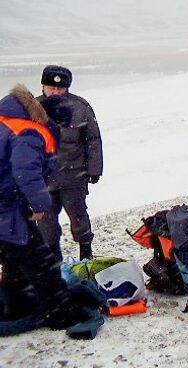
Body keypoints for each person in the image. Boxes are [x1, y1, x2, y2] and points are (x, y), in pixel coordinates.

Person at [0, 84, 91, 330]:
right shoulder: (32, 132)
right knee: (41, 264)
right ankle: (61, 313)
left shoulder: (9, 120)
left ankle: (15, 305)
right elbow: (25, 172)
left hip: (7, 205)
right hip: (5, 208)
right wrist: (39, 204)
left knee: (15, 257)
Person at [37, 65, 103, 261]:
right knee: (46, 223)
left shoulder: (81, 107)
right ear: (42, 86)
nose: (55, 92)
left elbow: (93, 139)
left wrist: (94, 169)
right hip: (43, 180)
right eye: (51, 87)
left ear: (67, 88)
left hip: (74, 176)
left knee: (79, 216)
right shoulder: (31, 108)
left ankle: (85, 251)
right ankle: (52, 259)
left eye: (60, 88)